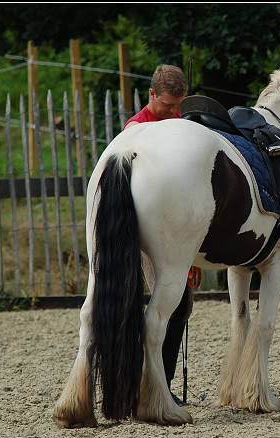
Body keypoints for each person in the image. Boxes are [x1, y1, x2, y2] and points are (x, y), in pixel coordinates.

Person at [123, 64, 198, 405]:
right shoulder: (136, 131)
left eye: (178, 104)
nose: (173, 111)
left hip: (177, 236)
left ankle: (161, 383)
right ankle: (155, 386)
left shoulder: (180, 125)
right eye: (167, 104)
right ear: (151, 95)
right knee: (171, 305)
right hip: (148, 236)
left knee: (180, 307)